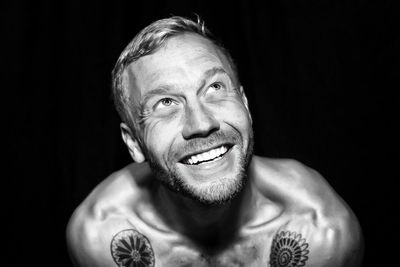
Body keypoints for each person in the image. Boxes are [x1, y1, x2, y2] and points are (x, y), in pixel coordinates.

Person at [66, 16, 363, 267]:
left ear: (245, 104)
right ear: (133, 143)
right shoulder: (100, 235)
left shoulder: (321, 230)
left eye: (214, 87)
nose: (202, 124)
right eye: (166, 102)